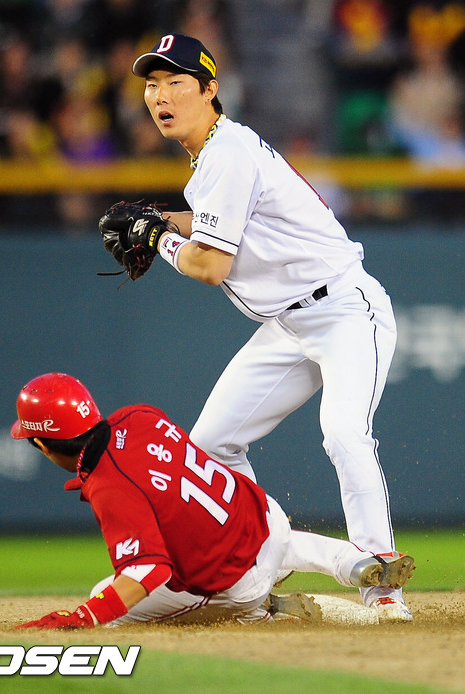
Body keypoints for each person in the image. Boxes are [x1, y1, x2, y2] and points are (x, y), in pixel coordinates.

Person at [122, 32, 413, 623]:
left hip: (344, 309)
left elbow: (210, 265)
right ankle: (266, 553)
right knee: (209, 450)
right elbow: (223, 220)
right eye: (152, 84)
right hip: (288, 324)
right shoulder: (216, 154)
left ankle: (383, 586)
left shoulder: (226, 152)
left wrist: (159, 237)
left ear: (210, 89)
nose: (161, 95)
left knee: (344, 434)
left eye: (177, 82)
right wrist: (165, 219)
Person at [11, 373, 414, 629]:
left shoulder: (110, 488)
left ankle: (264, 612)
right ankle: (354, 561)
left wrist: (86, 616)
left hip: (239, 580)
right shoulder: (138, 416)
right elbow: (160, 484)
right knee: (261, 536)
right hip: (264, 516)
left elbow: (147, 571)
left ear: (43, 444)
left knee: (108, 596)